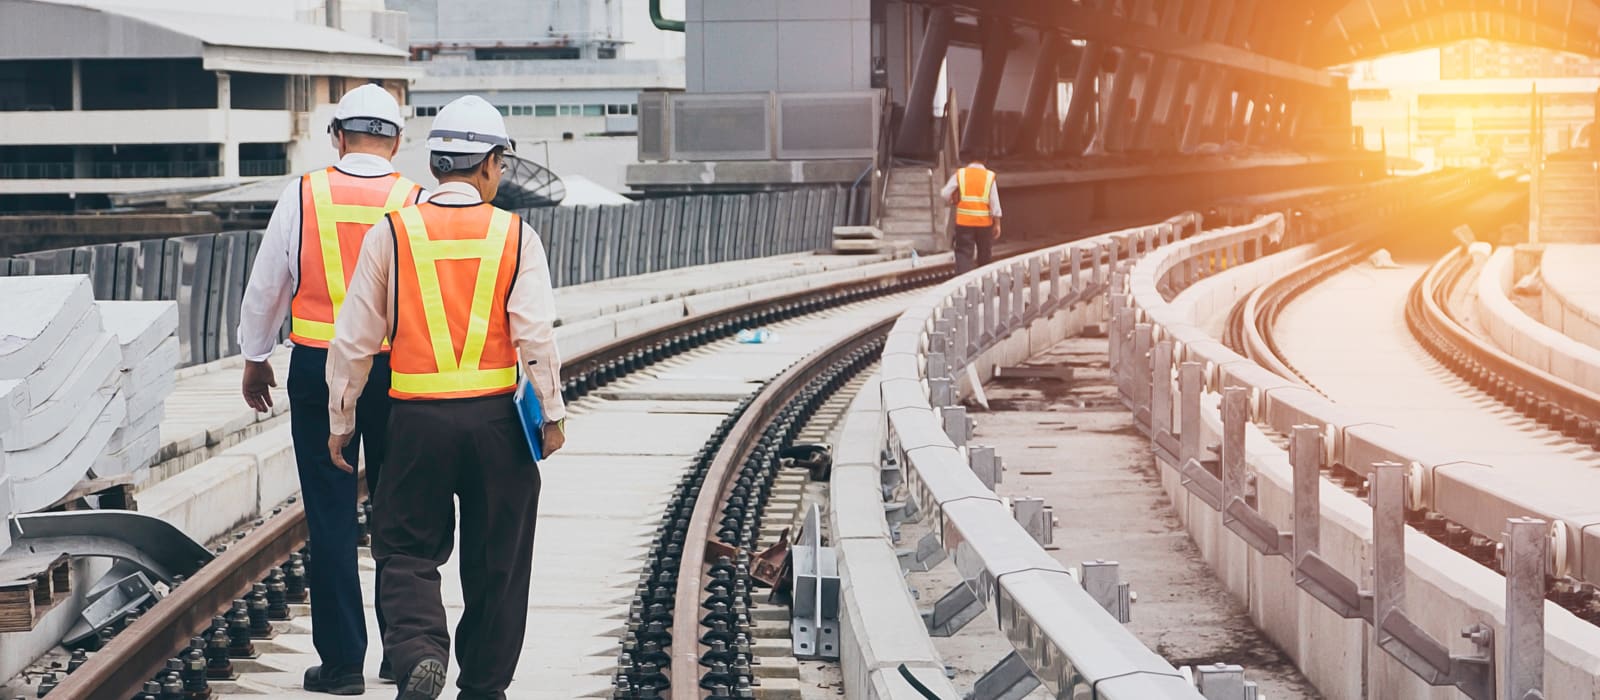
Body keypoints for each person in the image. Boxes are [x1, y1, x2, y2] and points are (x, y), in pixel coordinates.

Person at [324, 94, 567, 700]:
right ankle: (483, 684)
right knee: (498, 561)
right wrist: (553, 413)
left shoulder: (393, 232)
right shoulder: (515, 235)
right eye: (501, 165)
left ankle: (419, 653)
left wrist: (341, 417)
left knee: (404, 550)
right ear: (487, 164)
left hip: (413, 421)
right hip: (495, 424)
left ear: (435, 165)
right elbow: (534, 334)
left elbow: (354, 337)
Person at [238, 83, 422, 695]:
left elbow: (268, 285)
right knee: (400, 512)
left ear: (337, 137)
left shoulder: (303, 194)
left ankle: (342, 665)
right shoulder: (414, 200)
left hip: (318, 368)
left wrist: (255, 357)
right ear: (397, 141)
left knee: (331, 515)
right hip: (397, 372)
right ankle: (403, 650)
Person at [941, 161, 1004, 274]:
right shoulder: (989, 176)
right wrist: (997, 223)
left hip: (964, 222)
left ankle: (964, 285)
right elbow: (995, 202)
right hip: (984, 223)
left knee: (964, 254)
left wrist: (952, 200)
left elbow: (945, 193)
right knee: (984, 255)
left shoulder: (960, 174)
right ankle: (985, 283)